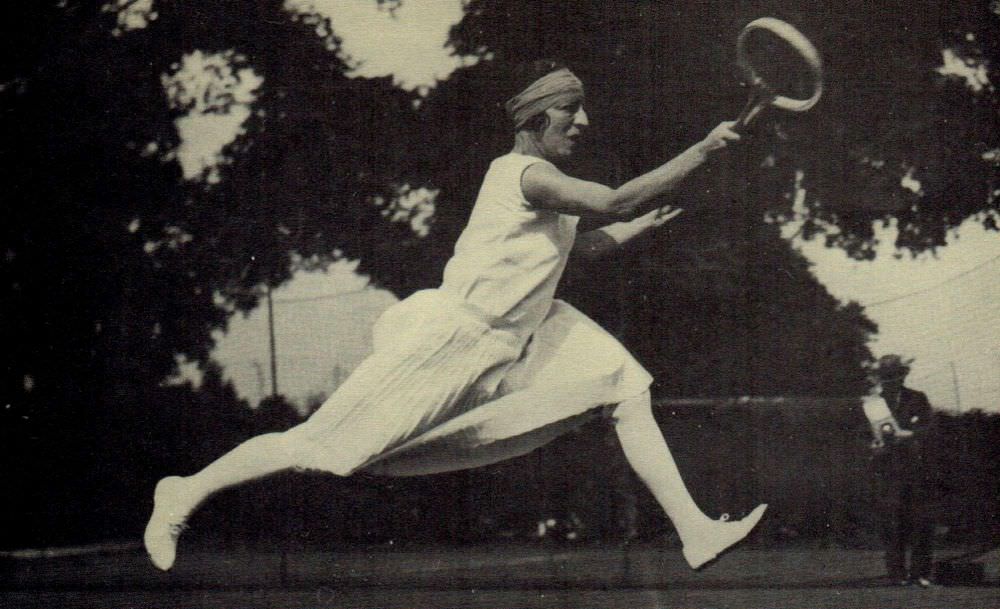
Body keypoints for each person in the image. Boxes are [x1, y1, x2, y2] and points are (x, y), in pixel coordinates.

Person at [144, 59, 766, 572]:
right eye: (572, 111)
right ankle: (185, 491)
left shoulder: (549, 190)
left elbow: (587, 246)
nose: (584, 122)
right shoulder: (525, 174)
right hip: (452, 340)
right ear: (538, 118)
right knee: (322, 449)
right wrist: (702, 150)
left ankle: (695, 532)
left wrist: (635, 229)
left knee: (626, 388)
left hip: (525, 333)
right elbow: (612, 198)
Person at [868, 355, 936, 588]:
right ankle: (896, 574)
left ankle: (921, 574)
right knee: (892, 524)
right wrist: (872, 447)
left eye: (894, 376)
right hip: (887, 472)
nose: (890, 381)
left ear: (903, 376)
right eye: (886, 378)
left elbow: (929, 428)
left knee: (921, 522)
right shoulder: (872, 404)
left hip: (917, 469)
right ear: (880, 379)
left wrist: (912, 434)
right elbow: (864, 435)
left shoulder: (918, 398)